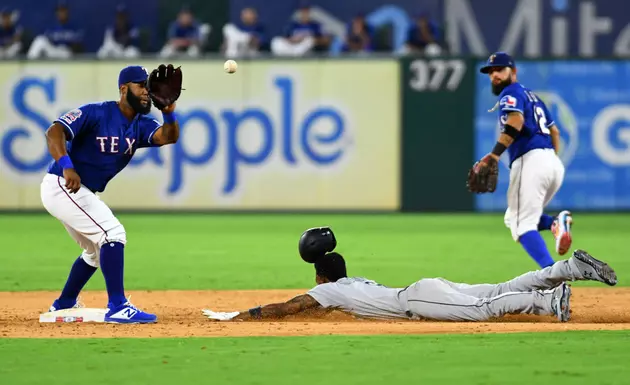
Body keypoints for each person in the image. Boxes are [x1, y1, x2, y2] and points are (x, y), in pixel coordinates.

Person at [203, 227, 617, 323]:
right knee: (499, 287)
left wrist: (244, 315)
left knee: (485, 308)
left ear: (322, 279)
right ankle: (568, 268)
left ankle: (549, 300)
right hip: (421, 289)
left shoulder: (332, 293)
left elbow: (291, 307)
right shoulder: (353, 283)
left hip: (416, 301)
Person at [41, 64, 183, 324]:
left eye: (148, 87)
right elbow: (54, 132)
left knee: (95, 252)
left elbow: (168, 136)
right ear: (123, 88)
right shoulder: (96, 113)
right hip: (62, 184)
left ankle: (63, 304)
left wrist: (169, 112)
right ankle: (117, 305)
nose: (147, 92)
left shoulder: (139, 124)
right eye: (141, 85)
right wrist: (67, 166)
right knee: (113, 233)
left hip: (81, 190)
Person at [468, 52, 572, 269]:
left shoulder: (510, 93)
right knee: (512, 217)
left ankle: (553, 278)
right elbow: (555, 131)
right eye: (490, 71)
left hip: (531, 162)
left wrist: (495, 154)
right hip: (552, 164)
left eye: (500, 70)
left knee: (522, 226)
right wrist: (550, 158)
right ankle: (555, 223)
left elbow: (515, 121)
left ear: (513, 72)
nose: (494, 75)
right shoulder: (533, 96)